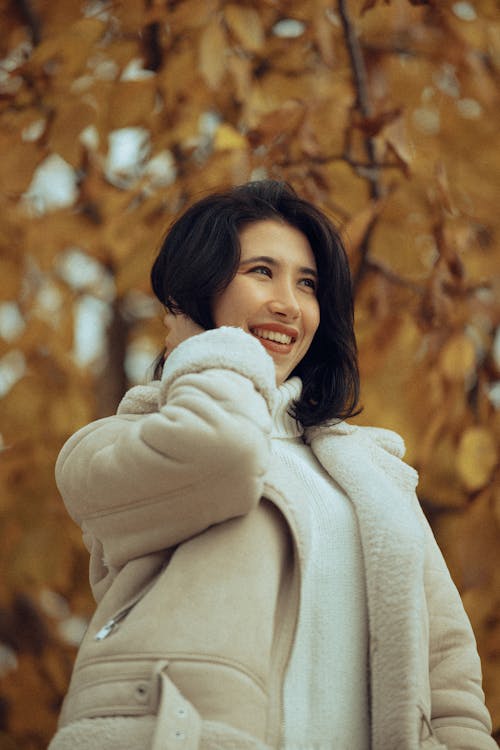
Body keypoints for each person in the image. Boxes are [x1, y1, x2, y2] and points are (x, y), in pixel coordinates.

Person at [49, 180, 496, 750]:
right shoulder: (114, 446)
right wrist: (211, 351)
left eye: (307, 284)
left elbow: (449, 679)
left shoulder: (374, 474)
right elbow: (224, 456)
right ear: (197, 291)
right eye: (261, 271)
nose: (289, 302)